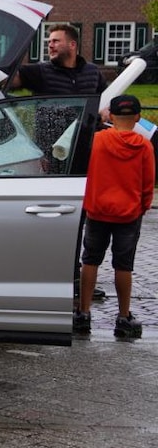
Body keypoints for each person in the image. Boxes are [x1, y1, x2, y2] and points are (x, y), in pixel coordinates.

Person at [10, 24, 109, 300]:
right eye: (49, 41)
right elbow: (10, 81)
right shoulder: (40, 72)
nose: (50, 45)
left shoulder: (92, 73)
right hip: (51, 160)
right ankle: (41, 276)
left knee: (79, 220)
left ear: (72, 45)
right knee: (49, 218)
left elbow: (107, 98)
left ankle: (75, 279)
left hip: (86, 158)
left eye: (55, 41)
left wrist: (105, 109)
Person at [73, 94, 154, 338]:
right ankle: (123, 317)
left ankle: (84, 313)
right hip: (128, 214)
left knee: (90, 260)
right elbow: (147, 184)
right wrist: (142, 207)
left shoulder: (96, 141)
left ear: (111, 116)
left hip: (98, 210)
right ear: (138, 118)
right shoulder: (144, 146)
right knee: (123, 265)